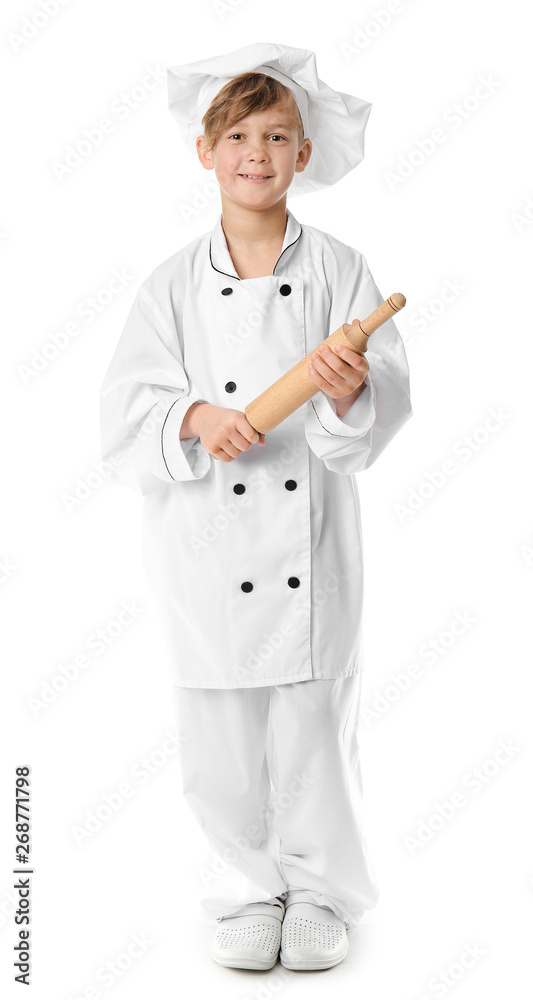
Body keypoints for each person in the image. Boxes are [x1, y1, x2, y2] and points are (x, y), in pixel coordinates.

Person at [99, 42, 413, 973]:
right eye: (237, 136)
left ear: (303, 154)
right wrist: (196, 417)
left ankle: (320, 893)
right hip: (203, 542)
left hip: (308, 543)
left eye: (276, 136)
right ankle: (246, 887)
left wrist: (349, 390)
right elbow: (125, 411)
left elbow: (382, 401)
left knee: (313, 721)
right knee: (219, 730)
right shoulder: (169, 286)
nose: (256, 153)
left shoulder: (342, 271)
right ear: (204, 151)